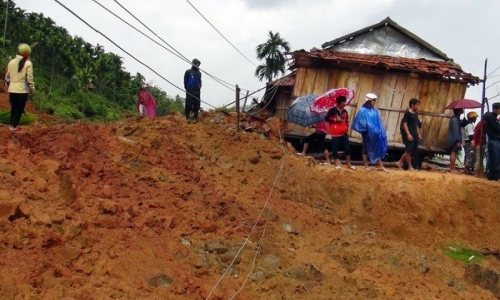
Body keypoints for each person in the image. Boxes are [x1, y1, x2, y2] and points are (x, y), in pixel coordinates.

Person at [352, 93, 388, 172]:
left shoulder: (374, 110)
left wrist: (379, 131)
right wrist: (368, 128)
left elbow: (378, 121)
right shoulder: (363, 110)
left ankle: (381, 165)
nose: (375, 102)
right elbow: (360, 121)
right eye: (374, 100)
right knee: (365, 147)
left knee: (377, 147)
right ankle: (366, 165)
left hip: (375, 133)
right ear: (369, 101)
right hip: (367, 133)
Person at [5, 43, 35, 132]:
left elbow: (7, 76)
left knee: (13, 108)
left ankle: (12, 125)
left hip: (12, 89)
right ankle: (13, 127)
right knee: (19, 109)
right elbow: (29, 79)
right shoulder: (28, 63)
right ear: (27, 54)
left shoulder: (11, 62)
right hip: (22, 90)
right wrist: (32, 89)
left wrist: (8, 86)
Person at [325, 96, 355, 169]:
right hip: (335, 133)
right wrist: (335, 119)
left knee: (347, 148)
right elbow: (327, 119)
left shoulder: (345, 111)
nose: (345, 103)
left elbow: (346, 120)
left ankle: (348, 163)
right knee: (335, 148)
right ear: (339, 103)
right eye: (343, 102)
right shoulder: (332, 110)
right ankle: (336, 164)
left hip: (344, 132)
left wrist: (346, 127)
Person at [395, 98, 422, 171]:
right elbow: (404, 124)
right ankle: (410, 167)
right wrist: (408, 134)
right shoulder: (407, 113)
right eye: (417, 105)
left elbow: (416, 125)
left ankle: (399, 162)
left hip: (414, 133)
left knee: (410, 151)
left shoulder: (416, 113)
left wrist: (418, 134)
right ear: (412, 105)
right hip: (409, 133)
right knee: (408, 149)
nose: (418, 106)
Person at [483, 102, 500, 180]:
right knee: (495, 158)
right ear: (495, 109)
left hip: (496, 140)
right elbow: (497, 129)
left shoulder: (494, 118)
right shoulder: (490, 117)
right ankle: (493, 175)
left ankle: (494, 175)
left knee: (496, 158)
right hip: (493, 140)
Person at [184, 58, 202, 123]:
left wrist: (199, 87)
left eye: (198, 64)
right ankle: (187, 117)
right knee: (188, 103)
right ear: (193, 64)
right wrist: (187, 88)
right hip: (189, 89)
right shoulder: (188, 72)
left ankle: (195, 117)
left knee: (197, 104)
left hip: (197, 90)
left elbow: (200, 81)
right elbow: (185, 80)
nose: (197, 65)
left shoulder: (199, 73)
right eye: (196, 64)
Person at [446, 108, 464, 174]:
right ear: (458, 110)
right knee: (453, 152)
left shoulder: (456, 119)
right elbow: (456, 131)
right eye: (461, 109)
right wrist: (457, 141)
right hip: (454, 139)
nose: (463, 110)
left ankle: (452, 168)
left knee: (454, 153)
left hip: (453, 139)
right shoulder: (455, 120)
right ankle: (452, 168)